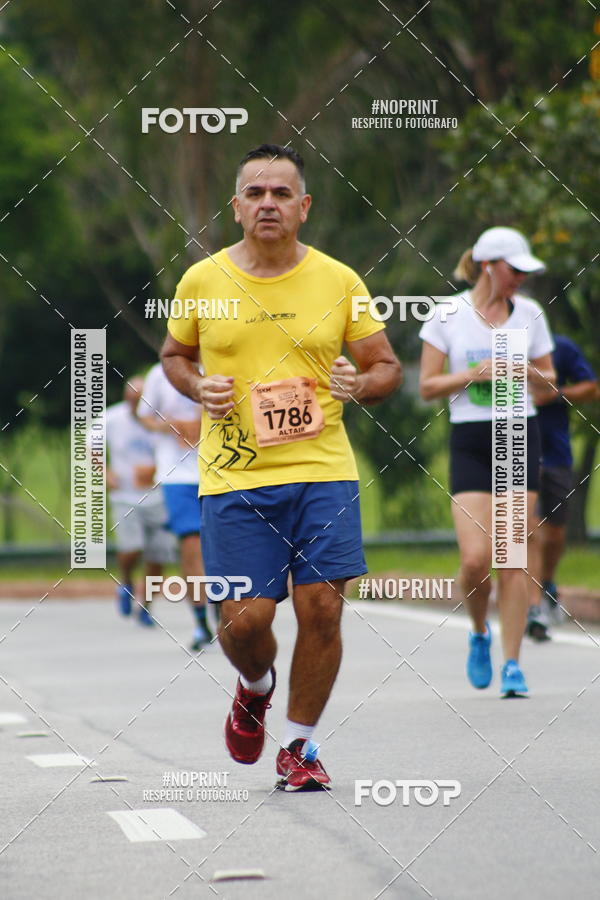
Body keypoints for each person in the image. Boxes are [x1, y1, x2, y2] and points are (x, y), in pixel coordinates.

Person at [160, 144, 402, 791]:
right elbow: (174, 355)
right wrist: (197, 385)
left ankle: (299, 745)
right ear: (237, 207)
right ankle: (255, 685)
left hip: (324, 471)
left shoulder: (338, 280)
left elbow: (386, 366)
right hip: (236, 477)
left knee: (321, 607)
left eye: (282, 193)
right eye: (256, 193)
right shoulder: (203, 281)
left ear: (304, 206)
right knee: (246, 621)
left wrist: (360, 383)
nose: (269, 204)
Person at [419, 226, 555, 697]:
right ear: (487, 266)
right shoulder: (447, 314)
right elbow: (427, 386)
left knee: (512, 556)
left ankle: (512, 664)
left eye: (524, 271)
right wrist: (474, 373)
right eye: (513, 269)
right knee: (476, 560)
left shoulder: (531, 314)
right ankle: (479, 632)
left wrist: (527, 371)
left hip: (518, 433)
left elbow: (550, 385)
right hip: (471, 440)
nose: (520, 278)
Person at [526, 335, 597, 640]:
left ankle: (547, 584)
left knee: (555, 533)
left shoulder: (560, 348)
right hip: (515, 450)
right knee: (528, 530)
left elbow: (591, 388)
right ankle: (533, 606)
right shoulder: (499, 347)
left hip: (555, 453)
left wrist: (557, 395)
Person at [137, 361, 213, 650]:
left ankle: (224, 610)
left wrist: (205, 423)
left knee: (221, 545)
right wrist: (170, 426)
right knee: (190, 544)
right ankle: (201, 622)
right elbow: (145, 416)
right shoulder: (160, 373)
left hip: (220, 471)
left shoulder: (221, 360)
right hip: (177, 476)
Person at [105, 376, 176, 626]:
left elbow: (184, 449)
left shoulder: (163, 420)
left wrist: (157, 469)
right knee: (132, 547)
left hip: (159, 497)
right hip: (125, 496)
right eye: (131, 400)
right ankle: (126, 582)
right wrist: (105, 473)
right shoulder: (112, 418)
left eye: (140, 401)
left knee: (158, 555)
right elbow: (88, 445)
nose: (134, 406)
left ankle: (146, 606)